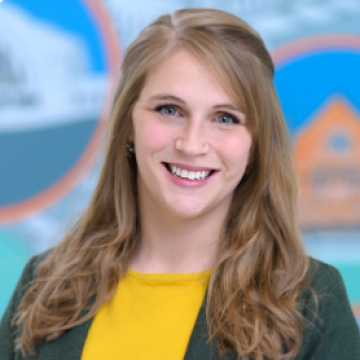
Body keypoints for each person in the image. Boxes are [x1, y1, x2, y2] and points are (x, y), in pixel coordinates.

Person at [1, 8, 359, 360]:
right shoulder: (43, 284)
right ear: (128, 123)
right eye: (170, 110)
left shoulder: (312, 303)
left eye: (225, 118)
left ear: (257, 142)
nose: (192, 144)